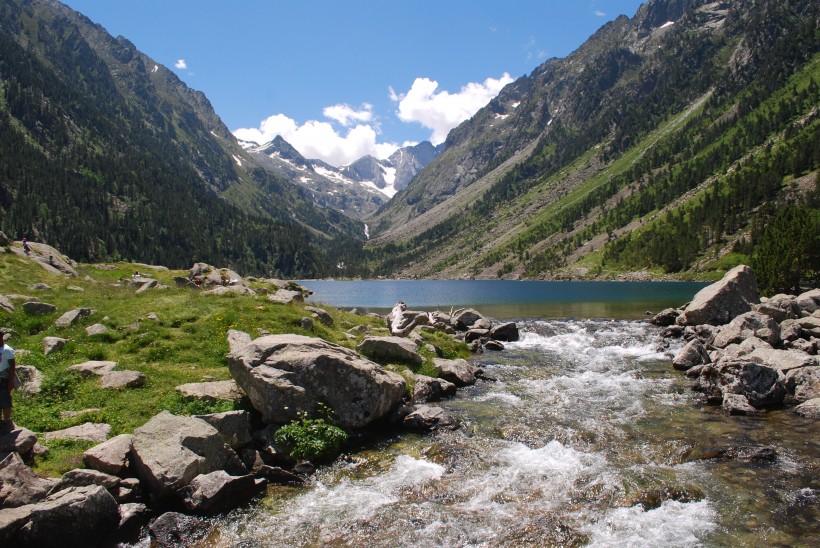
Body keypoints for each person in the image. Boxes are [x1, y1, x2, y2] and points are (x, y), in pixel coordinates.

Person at [0, 329, 16, 430]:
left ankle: (7, 421)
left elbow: (12, 366)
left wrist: (11, 382)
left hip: (3, 379)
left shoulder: (7, 350)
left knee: (5, 400)